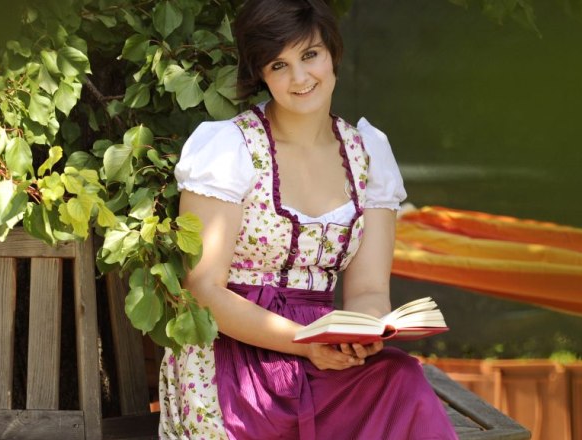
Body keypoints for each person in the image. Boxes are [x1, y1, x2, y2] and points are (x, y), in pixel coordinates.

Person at [159, 0, 458, 438]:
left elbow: (370, 290)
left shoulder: (368, 156)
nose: (300, 78)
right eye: (279, 65)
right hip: (235, 358)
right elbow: (203, 291)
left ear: (333, 53)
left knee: (401, 381)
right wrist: (304, 342)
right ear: (261, 74)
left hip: (325, 358)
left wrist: (360, 335)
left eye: (309, 55)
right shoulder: (229, 150)